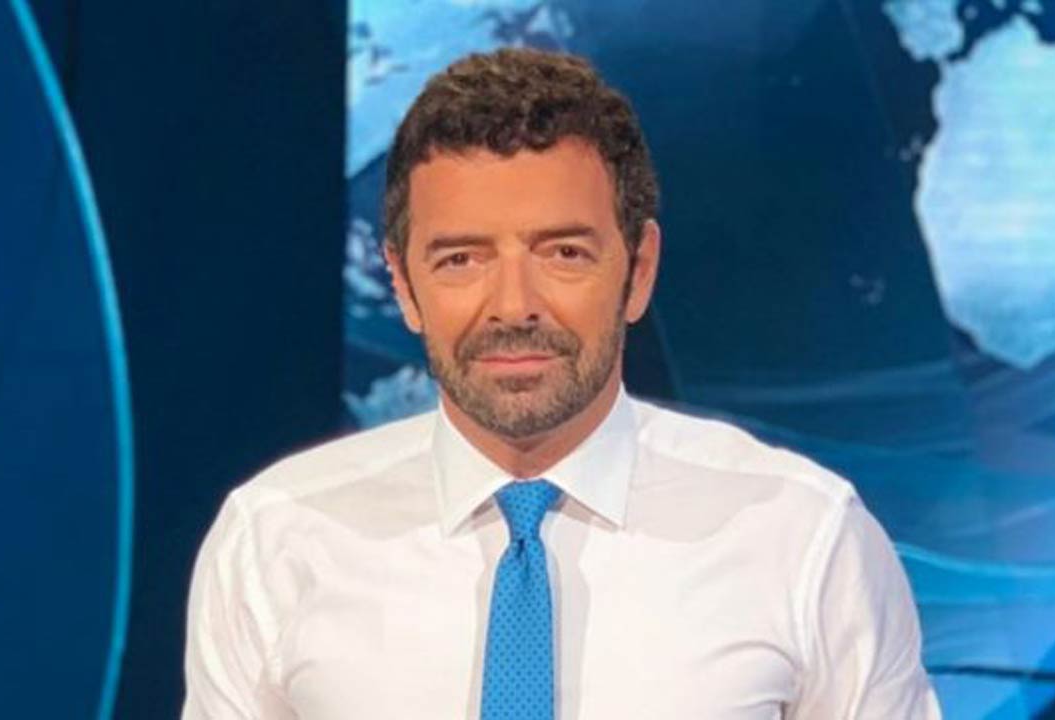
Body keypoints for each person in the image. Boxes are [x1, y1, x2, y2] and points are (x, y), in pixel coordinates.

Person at [182, 47, 941, 719]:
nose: (514, 306)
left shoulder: (802, 536)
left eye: (564, 253)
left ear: (638, 270)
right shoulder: (275, 538)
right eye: (460, 259)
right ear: (404, 285)